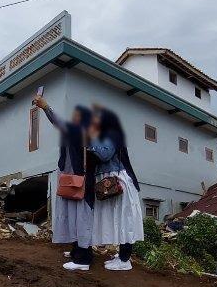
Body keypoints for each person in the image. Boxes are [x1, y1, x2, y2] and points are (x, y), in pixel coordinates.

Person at [34, 96, 94, 271]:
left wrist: (46, 107)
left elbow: (59, 123)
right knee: (75, 219)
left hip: (81, 182)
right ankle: (78, 251)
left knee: (82, 219)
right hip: (73, 180)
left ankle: (83, 260)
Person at [86, 107, 144, 271]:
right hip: (110, 179)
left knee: (124, 219)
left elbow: (105, 154)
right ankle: (122, 256)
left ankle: (125, 260)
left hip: (119, 181)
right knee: (117, 219)